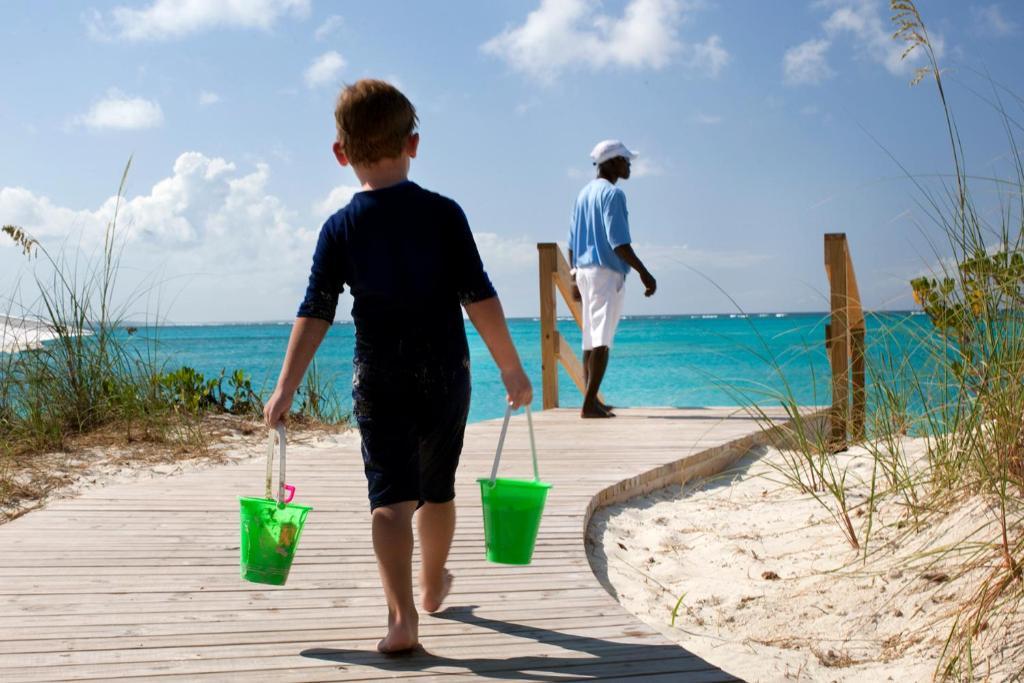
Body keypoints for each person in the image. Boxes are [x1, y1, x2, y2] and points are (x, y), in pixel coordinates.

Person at [263, 79, 532, 654]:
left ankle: (402, 618)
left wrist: (286, 387)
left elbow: (315, 311)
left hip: (379, 379)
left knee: (389, 502)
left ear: (341, 153)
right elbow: (478, 296)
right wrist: (511, 368)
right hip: (447, 375)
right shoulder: (444, 214)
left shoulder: (340, 228)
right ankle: (434, 585)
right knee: (437, 490)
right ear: (414, 143)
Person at [567, 139, 656, 419]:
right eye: (625, 160)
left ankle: (590, 399)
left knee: (589, 339)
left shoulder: (583, 195)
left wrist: (572, 276)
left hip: (583, 270)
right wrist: (644, 272)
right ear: (612, 162)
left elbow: (571, 242)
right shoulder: (613, 195)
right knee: (602, 341)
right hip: (605, 271)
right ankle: (590, 404)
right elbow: (618, 242)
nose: (629, 165)